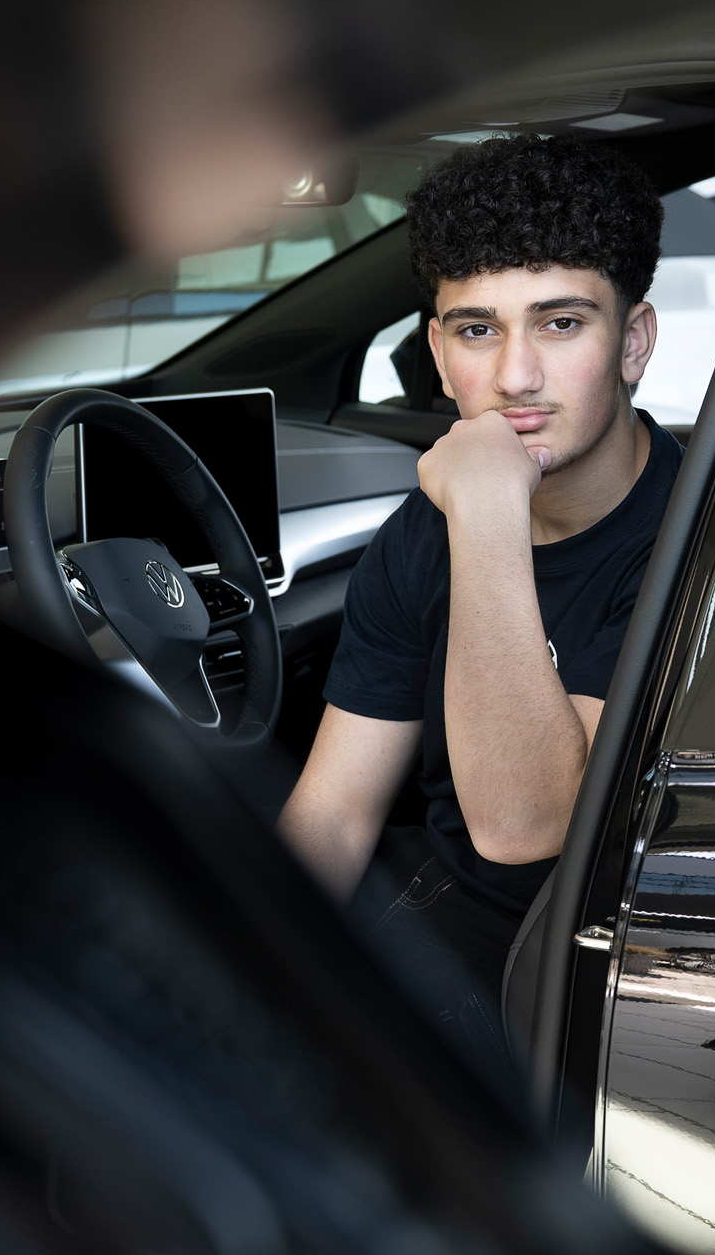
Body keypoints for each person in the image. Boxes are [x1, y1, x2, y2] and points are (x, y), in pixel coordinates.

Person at [277, 133, 681, 1040]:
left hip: (602, 966)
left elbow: (525, 827)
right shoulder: (422, 531)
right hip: (441, 912)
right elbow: (335, 814)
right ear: (437, 347)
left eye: (561, 323)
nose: (513, 378)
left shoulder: (690, 543)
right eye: (477, 330)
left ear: (633, 342)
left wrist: (490, 509)